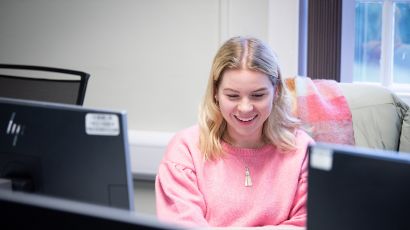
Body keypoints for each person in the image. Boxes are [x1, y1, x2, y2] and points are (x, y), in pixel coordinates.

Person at [155, 36, 314, 228]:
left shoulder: (302, 150)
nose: (245, 107)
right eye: (232, 95)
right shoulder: (185, 149)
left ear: (277, 91)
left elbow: (308, 223)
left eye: (258, 95)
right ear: (215, 92)